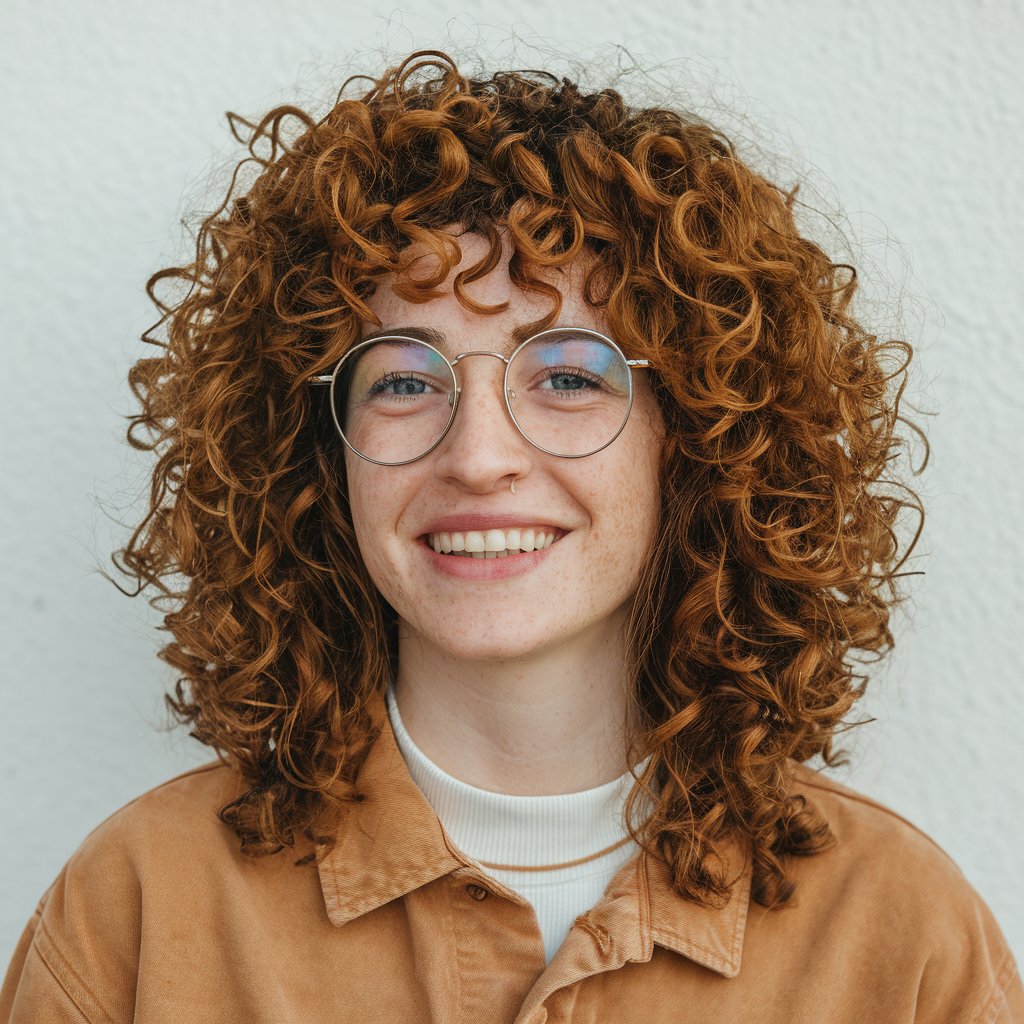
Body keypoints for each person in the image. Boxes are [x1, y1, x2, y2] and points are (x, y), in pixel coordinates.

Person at [1, 48, 1020, 1024]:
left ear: (698, 438)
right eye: (403, 378)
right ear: (321, 449)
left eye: (570, 375)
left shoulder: (904, 936)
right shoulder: (137, 907)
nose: (478, 456)